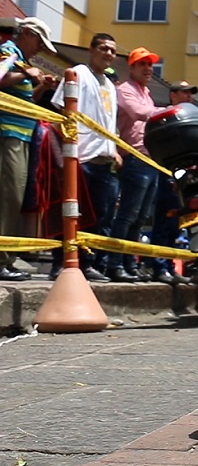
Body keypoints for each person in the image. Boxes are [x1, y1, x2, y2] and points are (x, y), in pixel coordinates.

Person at [48, 33, 122, 283]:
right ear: (91, 50)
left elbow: (108, 122)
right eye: (103, 48)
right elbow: (61, 108)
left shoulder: (110, 85)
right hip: (80, 157)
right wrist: (69, 146)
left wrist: (114, 148)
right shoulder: (78, 72)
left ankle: (86, 264)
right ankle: (60, 263)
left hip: (104, 159)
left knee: (98, 216)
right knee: (71, 213)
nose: (109, 54)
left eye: (112, 50)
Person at [0, 17, 58, 280]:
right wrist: (26, 73)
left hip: (23, 136)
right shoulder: (8, 51)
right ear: (27, 34)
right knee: (8, 197)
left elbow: (26, 100)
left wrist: (41, 86)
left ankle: (8, 257)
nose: (40, 49)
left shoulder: (21, 59)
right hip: (7, 134)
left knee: (16, 199)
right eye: (39, 42)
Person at [106, 46, 162, 283]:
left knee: (140, 219)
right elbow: (138, 113)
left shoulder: (146, 92)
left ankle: (130, 264)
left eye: (150, 64)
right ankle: (115, 264)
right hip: (134, 158)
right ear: (131, 67)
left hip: (150, 160)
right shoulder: (125, 90)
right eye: (143, 64)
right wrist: (167, 111)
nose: (148, 68)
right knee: (127, 215)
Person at [142, 80, 198, 285]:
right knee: (164, 222)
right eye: (184, 93)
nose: (188, 97)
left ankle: (167, 266)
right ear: (173, 95)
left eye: (190, 93)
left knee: (176, 225)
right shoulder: (165, 117)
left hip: (182, 175)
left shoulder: (190, 118)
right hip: (166, 173)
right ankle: (158, 266)